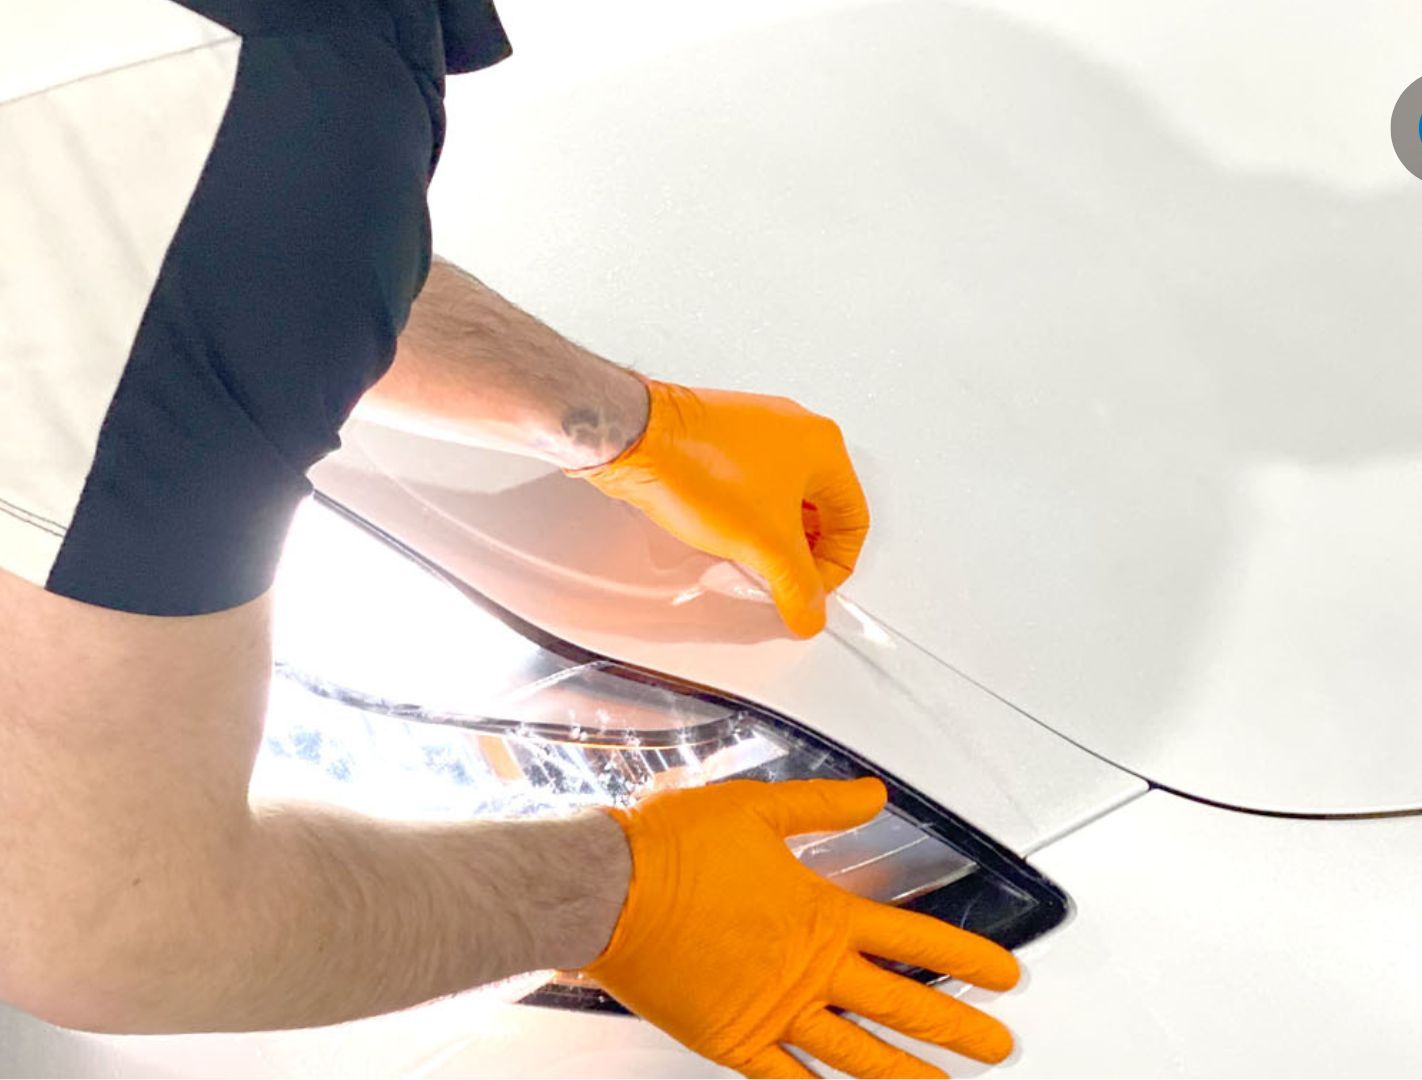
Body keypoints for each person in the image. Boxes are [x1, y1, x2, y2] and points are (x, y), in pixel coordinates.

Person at [0, 2, 1020, 1077]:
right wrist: (620, 899)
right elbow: (103, 925)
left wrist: (607, 416)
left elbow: (160, 215)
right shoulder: (246, 82)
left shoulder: (180, 88)